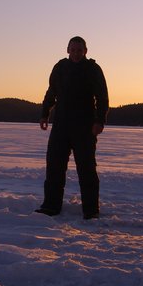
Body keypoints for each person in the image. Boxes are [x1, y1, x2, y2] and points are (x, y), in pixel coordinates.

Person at [36, 36, 109, 219]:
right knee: (54, 166)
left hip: (84, 126)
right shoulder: (60, 67)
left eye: (79, 50)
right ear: (67, 50)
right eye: (73, 50)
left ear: (85, 51)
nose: (76, 53)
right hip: (61, 124)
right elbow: (51, 93)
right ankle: (51, 206)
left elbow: (102, 97)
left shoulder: (93, 69)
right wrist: (45, 113)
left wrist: (99, 121)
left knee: (86, 169)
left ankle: (91, 210)